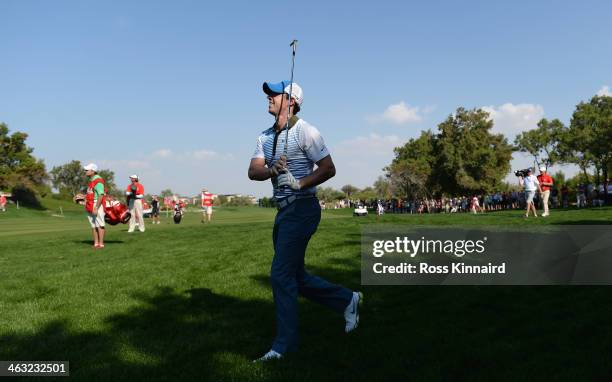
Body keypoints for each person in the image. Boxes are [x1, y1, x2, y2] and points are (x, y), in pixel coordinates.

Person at [248, 80, 361, 362]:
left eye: (273, 94)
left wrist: (300, 183)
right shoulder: (264, 136)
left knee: (280, 275)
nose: (268, 98)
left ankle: (283, 346)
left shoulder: (306, 131)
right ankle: (347, 300)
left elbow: (328, 168)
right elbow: (253, 171)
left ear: (291, 100)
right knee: (294, 276)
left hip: (303, 207)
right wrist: (272, 170)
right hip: (283, 212)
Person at [83, 163, 106, 248]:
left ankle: (101, 243)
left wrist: (96, 207)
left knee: (100, 224)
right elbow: (91, 193)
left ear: (93, 171)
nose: (85, 171)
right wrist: (83, 198)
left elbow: (101, 195)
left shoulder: (98, 181)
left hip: (96, 204)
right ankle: (96, 243)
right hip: (90, 203)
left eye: (87, 170)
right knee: (93, 225)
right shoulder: (92, 180)